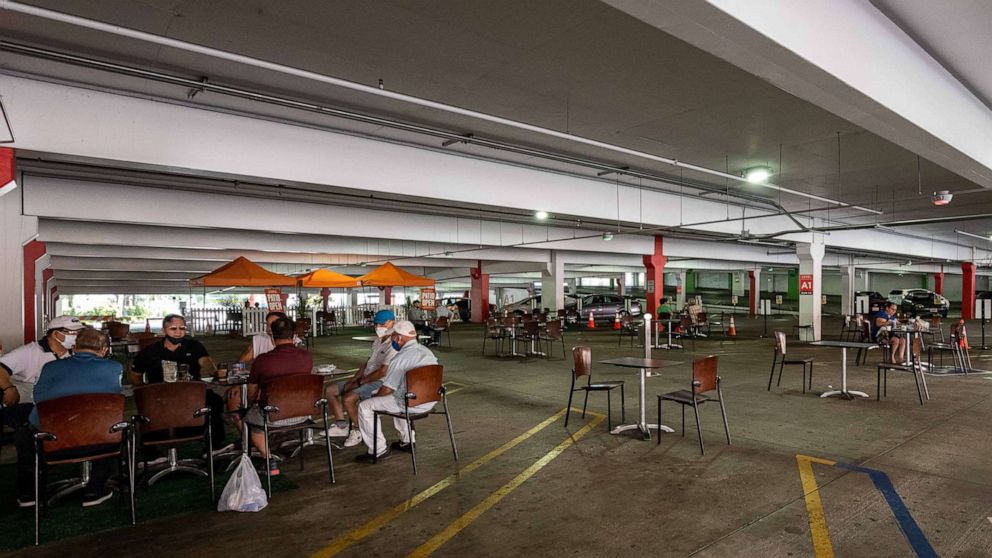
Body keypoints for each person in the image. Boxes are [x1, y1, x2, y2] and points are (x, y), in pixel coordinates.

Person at [14, 328, 122, 508]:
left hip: (52, 440)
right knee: (113, 426)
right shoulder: (114, 368)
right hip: (100, 440)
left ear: (74, 347)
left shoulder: (50, 367)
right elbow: (113, 396)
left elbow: (38, 398)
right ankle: (95, 488)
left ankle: (28, 493)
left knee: (24, 432)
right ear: (104, 350)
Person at [131, 314, 228, 451]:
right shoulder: (150, 352)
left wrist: (214, 372)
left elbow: (205, 361)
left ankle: (214, 447)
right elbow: (135, 374)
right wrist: (143, 390)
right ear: (164, 330)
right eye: (173, 328)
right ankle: (152, 454)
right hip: (161, 396)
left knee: (215, 401)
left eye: (182, 328)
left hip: (191, 394)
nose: (178, 332)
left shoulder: (194, 346)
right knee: (145, 407)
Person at [355, 320, 438, 462]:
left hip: (411, 403)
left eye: (392, 336)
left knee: (365, 406)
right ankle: (407, 441)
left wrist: (373, 398)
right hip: (429, 400)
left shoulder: (400, 358)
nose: (391, 339)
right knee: (397, 396)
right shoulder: (427, 352)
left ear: (399, 338)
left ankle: (378, 450)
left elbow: (387, 389)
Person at [239, 317, 313, 476]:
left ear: (272, 337)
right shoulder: (306, 357)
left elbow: (252, 393)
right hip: (303, 413)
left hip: (273, 415)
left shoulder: (263, 360)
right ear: (293, 336)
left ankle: (268, 458)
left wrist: (252, 405)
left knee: (250, 418)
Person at [324, 310, 397, 446]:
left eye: (382, 324)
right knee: (330, 390)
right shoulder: (377, 341)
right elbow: (366, 364)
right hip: (364, 378)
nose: (378, 327)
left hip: (379, 382)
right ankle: (341, 426)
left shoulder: (393, 345)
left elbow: (382, 372)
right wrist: (353, 380)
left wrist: (359, 382)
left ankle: (359, 430)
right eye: (376, 324)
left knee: (348, 398)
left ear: (392, 323)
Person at [0, 316, 84, 430]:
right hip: (30, 403)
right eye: (72, 332)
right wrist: (8, 388)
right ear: (55, 334)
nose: (77, 336)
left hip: (62, 403)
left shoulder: (77, 353)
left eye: (79, 332)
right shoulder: (30, 352)